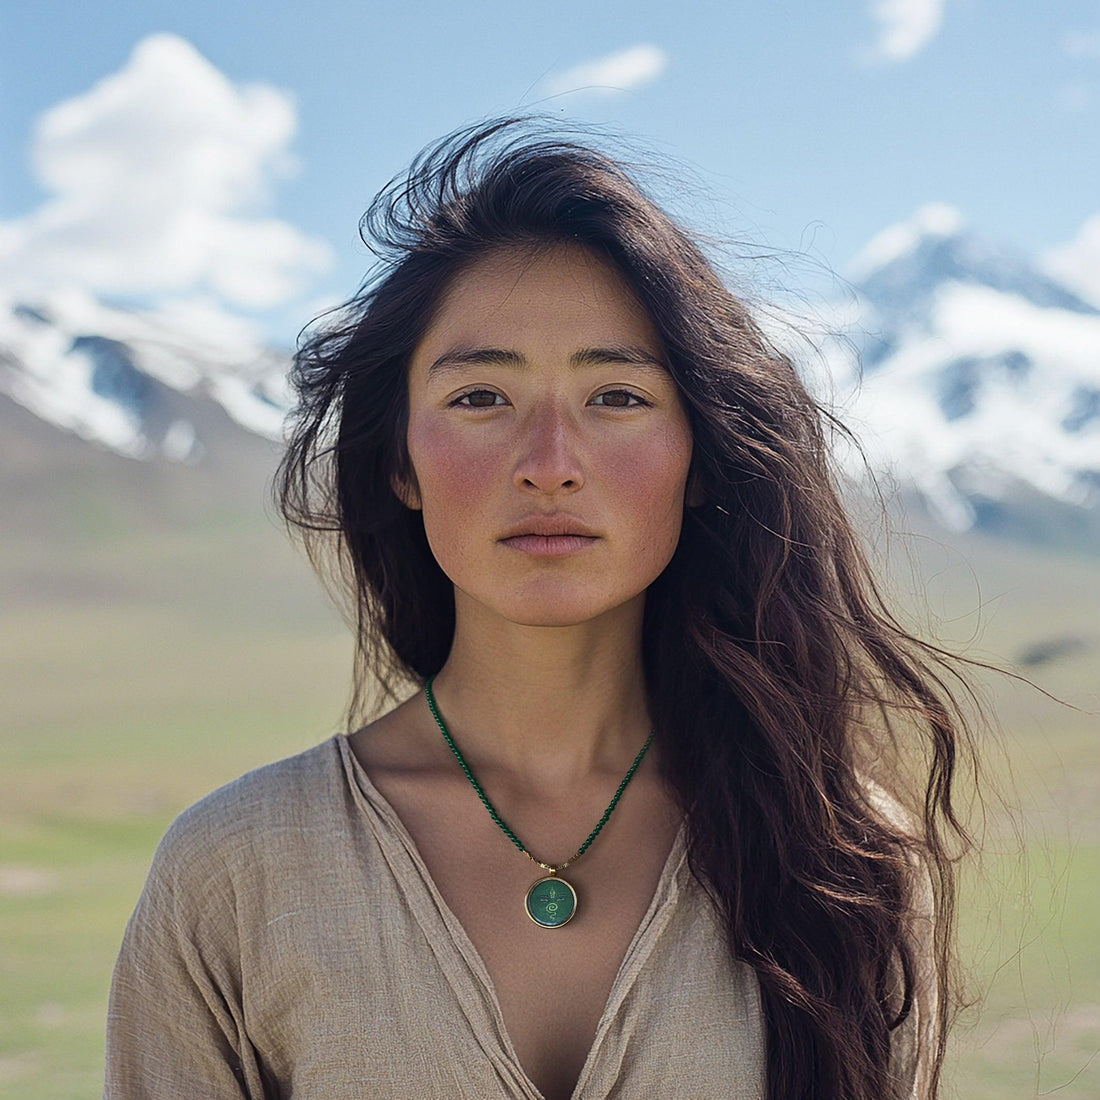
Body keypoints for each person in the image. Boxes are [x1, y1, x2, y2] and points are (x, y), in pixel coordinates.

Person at [104, 116, 986, 1100]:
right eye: (481, 397)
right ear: (400, 461)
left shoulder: (841, 856)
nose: (550, 465)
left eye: (616, 397)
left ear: (700, 459)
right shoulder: (237, 868)